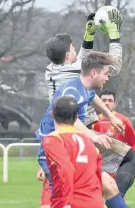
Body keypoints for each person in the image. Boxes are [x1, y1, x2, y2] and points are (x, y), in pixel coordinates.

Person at [37, 50, 129, 208]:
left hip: (72, 149)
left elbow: (92, 97)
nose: (108, 78)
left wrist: (110, 116)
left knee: (109, 185)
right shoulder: (71, 91)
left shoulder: (83, 88)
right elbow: (72, 121)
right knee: (62, 197)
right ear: (94, 73)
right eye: (106, 73)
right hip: (59, 150)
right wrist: (94, 136)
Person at [42, 96, 103, 208]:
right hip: (96, 202)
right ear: (76, 118)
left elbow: (65, 169)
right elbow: (98, 173)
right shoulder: (89, 142)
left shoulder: (53, 139)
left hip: (72, 202)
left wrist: (64, 204)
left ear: (52, 114)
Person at [93, 90, 135, 155]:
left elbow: (133, 142)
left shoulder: (123, 120)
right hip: (100, 160)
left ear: (114, 104)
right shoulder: (93, 121)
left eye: (110, 100)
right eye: (104, 100)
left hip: (119, 160)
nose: (107, 103)